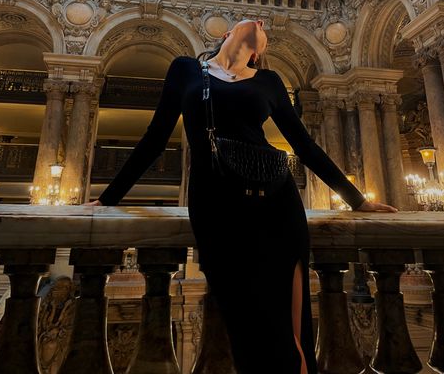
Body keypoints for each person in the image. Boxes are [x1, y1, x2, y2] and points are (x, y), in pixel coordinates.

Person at [87, 19, 397, 374]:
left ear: (260, 50)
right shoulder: (185, 70)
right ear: (225, 34)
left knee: (292, 333)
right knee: (244, 325)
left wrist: (357, 200)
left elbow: (305, 145)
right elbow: (156, 137)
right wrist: (109, 197)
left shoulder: (269, 81)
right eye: (250, 21)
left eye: (263, 28)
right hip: (217, 208)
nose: (260, 22)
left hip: (278, 205)